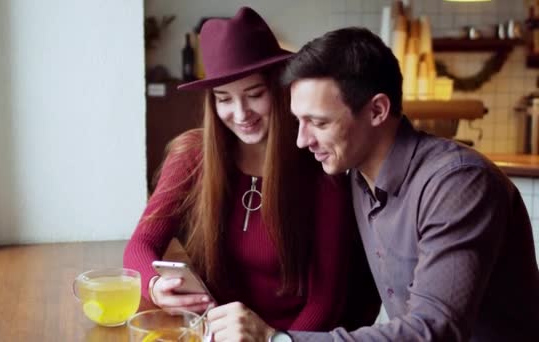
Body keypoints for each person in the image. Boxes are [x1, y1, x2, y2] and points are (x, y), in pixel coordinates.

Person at [258, 27, 538, 341]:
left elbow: (432, 330)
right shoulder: (355, 176)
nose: (301, 140)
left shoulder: (458, 183)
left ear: (377, 110)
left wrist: (279, 340)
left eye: (320, 123)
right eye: (300, 121)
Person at [123, 8, 379, 340]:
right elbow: (141, 243)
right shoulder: (192, 155)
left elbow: (325, 303)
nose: (240, 114)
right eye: (224, 99)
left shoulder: (320, 167)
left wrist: (273, 339)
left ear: (279, 89)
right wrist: (155, 285)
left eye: (254, 95)